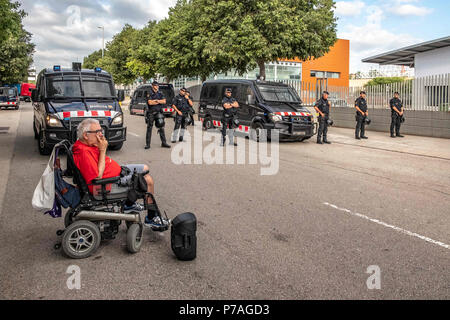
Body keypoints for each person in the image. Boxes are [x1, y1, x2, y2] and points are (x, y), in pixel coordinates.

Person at [72, 118, 169, 229]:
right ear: (85, 135)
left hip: (117, 172)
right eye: (97, 131)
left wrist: (100, 147)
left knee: (145, 168)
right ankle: (151, 218)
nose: (101, 134)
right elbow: (97, 177)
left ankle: (129, 205)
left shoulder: (85, 144)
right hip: (108, 184)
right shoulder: (83, 152)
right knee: (148, 181)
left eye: (101, 131)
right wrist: (103, 150)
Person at [145, 81, 171, 149]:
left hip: (159, 112)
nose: (157, 86)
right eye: (155, 85)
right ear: (152, 86)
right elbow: (150, 103)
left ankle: (164, 143)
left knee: (161, 126)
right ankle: (148, 144)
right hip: (151, 113)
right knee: (149, 128)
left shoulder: (160, 92)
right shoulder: (149, 92)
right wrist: (159, 101)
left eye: (157, 85)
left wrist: (156, 101)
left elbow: (164, 101)